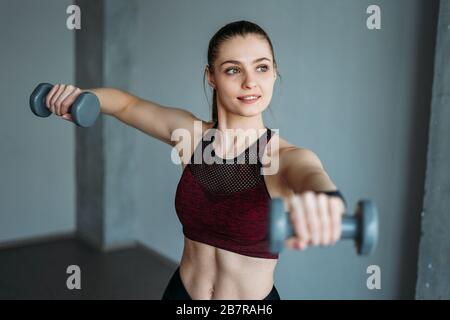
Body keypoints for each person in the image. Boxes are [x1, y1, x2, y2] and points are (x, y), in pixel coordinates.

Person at [45, 20, 346, 300]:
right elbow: (127, 105)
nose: (250, 82)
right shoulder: (190, 137)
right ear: (211, 77)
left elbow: (312, 177)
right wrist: (81, 96)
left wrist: (327, 201)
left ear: (274, 72)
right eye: (233, 70)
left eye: (262, 67)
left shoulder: (285, 157)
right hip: (182, 295)